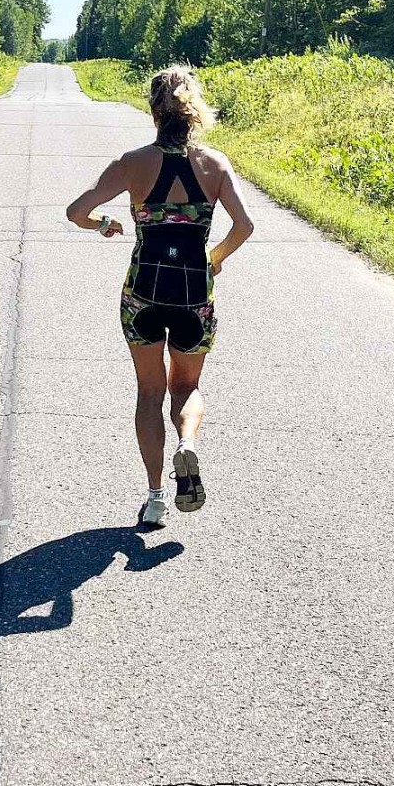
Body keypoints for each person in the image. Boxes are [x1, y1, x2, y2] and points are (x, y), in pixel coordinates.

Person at [66, 65, 254, 525]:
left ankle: (154, 498)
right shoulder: (215, 164)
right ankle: (187, 446)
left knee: (149, 391)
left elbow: (76, 211)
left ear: (153, 111)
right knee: (186, 386)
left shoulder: (133, 162)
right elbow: (244, 226)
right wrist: (216, 258)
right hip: (194, 294)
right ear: (196, 113)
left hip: (143, 294)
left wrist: (104, 224)